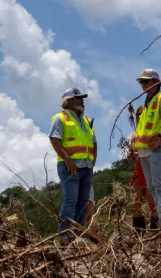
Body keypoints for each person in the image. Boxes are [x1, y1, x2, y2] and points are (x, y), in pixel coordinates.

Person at [49, 87, 96, 240]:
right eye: (78, 98)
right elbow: (54, 140)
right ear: (68, 101)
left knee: (83, 202)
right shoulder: (60, 118)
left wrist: (93, 160)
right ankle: (64, 235)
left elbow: (93, 142)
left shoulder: (87, 120)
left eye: (82, 98)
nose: (82, 100)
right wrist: (68, 160)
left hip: (87, 167)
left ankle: (78, 235)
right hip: (70, 166)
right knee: (70, 200)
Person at [132, 69, 161, 228]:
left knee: (159, 187)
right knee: (152, 188)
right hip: (144, 152)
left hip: (156, 151)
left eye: (146, 81)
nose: (143, 85)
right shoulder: (146, 103)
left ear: (156, 82)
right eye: (141, 82)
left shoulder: (160, 97)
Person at [130, 156, 159, 230]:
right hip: (139, 171)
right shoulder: (134, 143)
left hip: (153, 169)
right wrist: (131, 154)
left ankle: (156, 235)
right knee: (134, 205)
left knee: (154, 206)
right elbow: (130, 156)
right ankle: (139, 237)